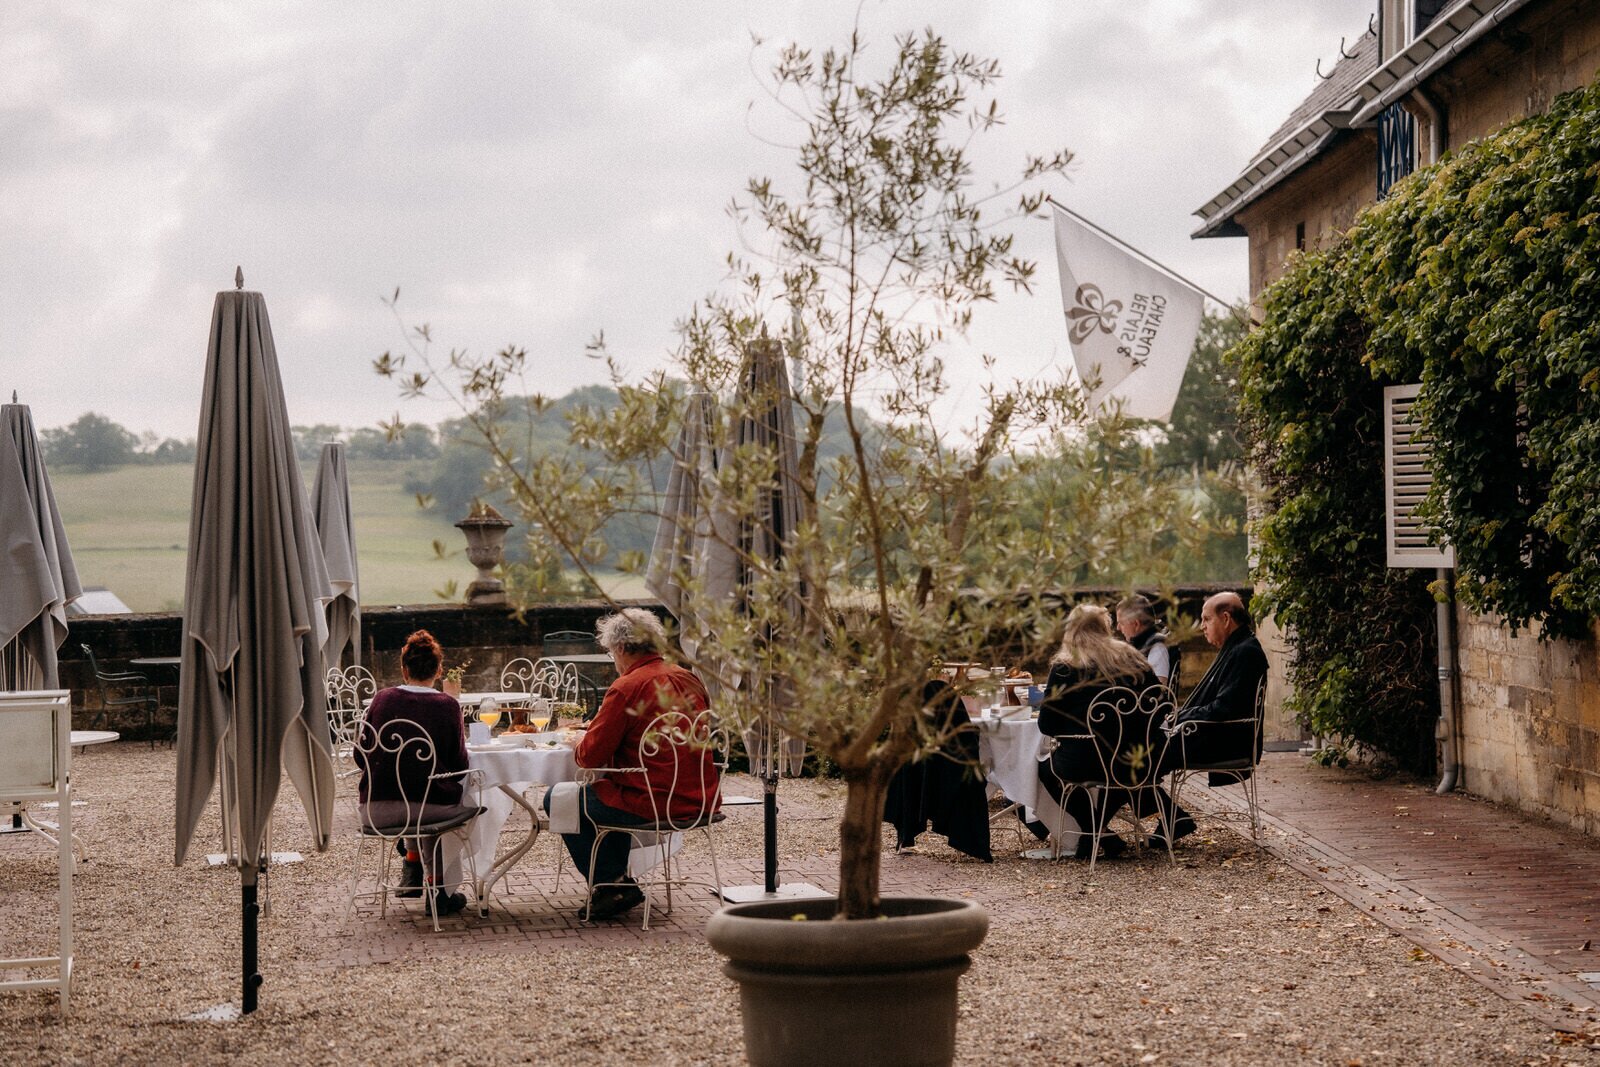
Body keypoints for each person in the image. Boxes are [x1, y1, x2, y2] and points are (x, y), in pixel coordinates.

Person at [544, 608, 716, 921]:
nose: (614, 660)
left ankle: (612, 885)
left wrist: (579, 742)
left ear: (622, 648)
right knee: (603, 792)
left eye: (612, 652)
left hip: (651, 799)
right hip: (700, 795)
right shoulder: (688, 677)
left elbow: (590, 758)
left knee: (559, 797)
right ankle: (617, 881)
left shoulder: (627, 687)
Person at [356, 629, 475, 918]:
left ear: (404, 669)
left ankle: (412, 865)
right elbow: (460, 766)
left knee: (421, 797)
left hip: (375, 811)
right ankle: (439, 891)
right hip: (427, 811)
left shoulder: (382, 700)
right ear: (439, 670)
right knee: (437, 802)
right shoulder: (447, 705)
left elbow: (361, 755)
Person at [1032, 603, 1160, 859]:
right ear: (1106, 627)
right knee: (1118, 778)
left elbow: (1047, 725)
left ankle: (1094, 831)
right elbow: (1158, 704)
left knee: (1046, 769)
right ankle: (1100, 832)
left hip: (1084, 761)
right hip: (1138, 759)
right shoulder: (1133, 658)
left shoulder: (1066, 666)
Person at [1147, 591, 1269, 848]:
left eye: (1206, 619)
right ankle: (1170, 817)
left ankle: (1096, 827)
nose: (1201, 626)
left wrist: (1179, 717)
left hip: (1225, 741)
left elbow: (1223, 709)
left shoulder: (1246, 652)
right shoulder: (1236, 647)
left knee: (1137, 756)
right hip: (1212, 734)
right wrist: (1177, 718)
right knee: (1134, 754)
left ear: (1226, 618)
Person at [1115, 593, 1179, 689]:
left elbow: (1158, 692)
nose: (1118, 628)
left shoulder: (1157, 647)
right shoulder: (1141, 643)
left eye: (1121, 623)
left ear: (1136, 624)